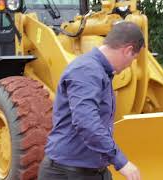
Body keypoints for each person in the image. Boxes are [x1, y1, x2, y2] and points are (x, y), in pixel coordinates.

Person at [38, 21, 145, 180]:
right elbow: (86, 122)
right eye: (133, 59)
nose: (130, 65)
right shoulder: (87, 71)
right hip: (70, 171)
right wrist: (121, 162)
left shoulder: (99, 71)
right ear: (128, 50)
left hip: (87, 168)